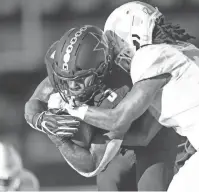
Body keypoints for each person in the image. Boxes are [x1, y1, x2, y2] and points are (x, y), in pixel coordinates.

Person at [58, 1, 199, 191]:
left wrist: (72, 108)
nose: (114, 53)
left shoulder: (149, 55)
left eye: (115, 43)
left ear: (131, 34)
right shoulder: (184, 49)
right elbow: (142, 136)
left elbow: (118, 119)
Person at [24, 26, 180, 191]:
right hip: (119, 142)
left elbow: (92, 163)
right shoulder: (69, 67)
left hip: (150, 136)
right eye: (65, 79)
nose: (71, 86)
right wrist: (40, 120)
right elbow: (34, 103)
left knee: (151, 187)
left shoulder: (120, 87)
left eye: (80, 79)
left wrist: (60, 139)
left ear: (102, 70)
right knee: (109, 185)